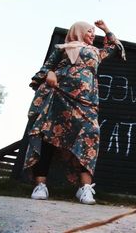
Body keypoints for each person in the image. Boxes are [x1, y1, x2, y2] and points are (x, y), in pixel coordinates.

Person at [23, 20, 125, 204]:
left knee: (90, 136)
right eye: (89, 31)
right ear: (78, 31)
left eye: (94, 32)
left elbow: (116, 48)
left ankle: (84, 188)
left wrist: (106, 29)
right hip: (59, 98)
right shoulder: (62, 47)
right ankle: (40, 185)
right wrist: (50, 74)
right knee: (47, 138)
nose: (93, 35)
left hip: (87, 103)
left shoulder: (96, 52)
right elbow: (46, 68)